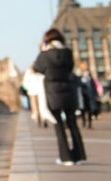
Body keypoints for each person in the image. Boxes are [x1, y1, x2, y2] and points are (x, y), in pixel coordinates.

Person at [32, 28, 87, 167]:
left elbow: (36, 68)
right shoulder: (67, 52)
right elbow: (71, 68)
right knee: (72, 124)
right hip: (69, 90)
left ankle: (65, 157)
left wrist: (42, 50)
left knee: (59, 126)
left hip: (52, 92)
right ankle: (79, 156)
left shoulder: (45, 54)